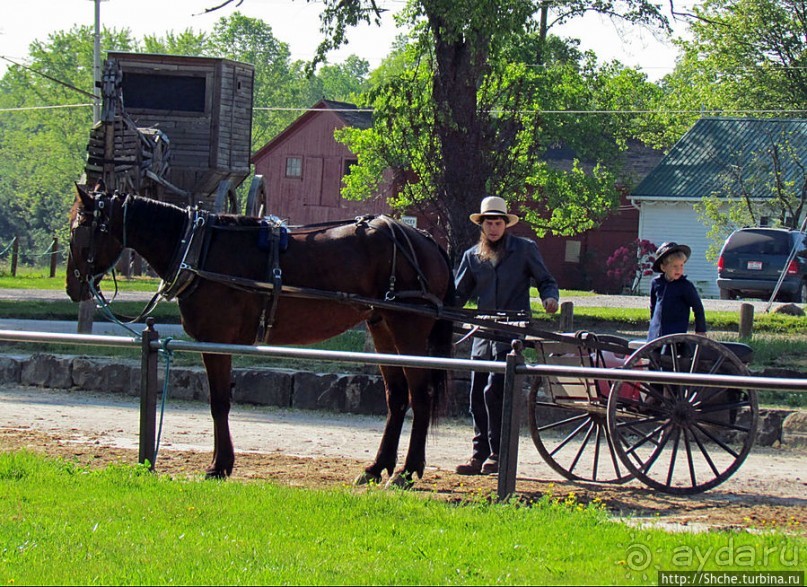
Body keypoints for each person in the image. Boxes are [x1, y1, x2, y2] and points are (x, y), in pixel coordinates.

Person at [454, 196, 559, 476]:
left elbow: (546, 280)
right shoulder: (472, 256)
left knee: (494, 390)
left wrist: (549, 298)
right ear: (482, 225)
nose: (494, 228)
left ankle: (498, 453)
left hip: (511, 333)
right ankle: (479, 454)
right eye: (489, 223)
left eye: (498, 223)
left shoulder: (524, 250)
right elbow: (458, 295)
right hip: (483, 333)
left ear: (505, 224)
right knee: (477, 393)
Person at [648, 241, 707, 341]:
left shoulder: (685, 286)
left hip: (675, 333)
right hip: (656, 332)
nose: (678, 270)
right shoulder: (656, 283)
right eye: (674, 266)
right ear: (663, 267)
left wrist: (700, 330)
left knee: (669, 353)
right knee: (653, 352)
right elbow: (653, 306)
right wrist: (652, 323)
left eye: (681, 266)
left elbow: (698, 308)